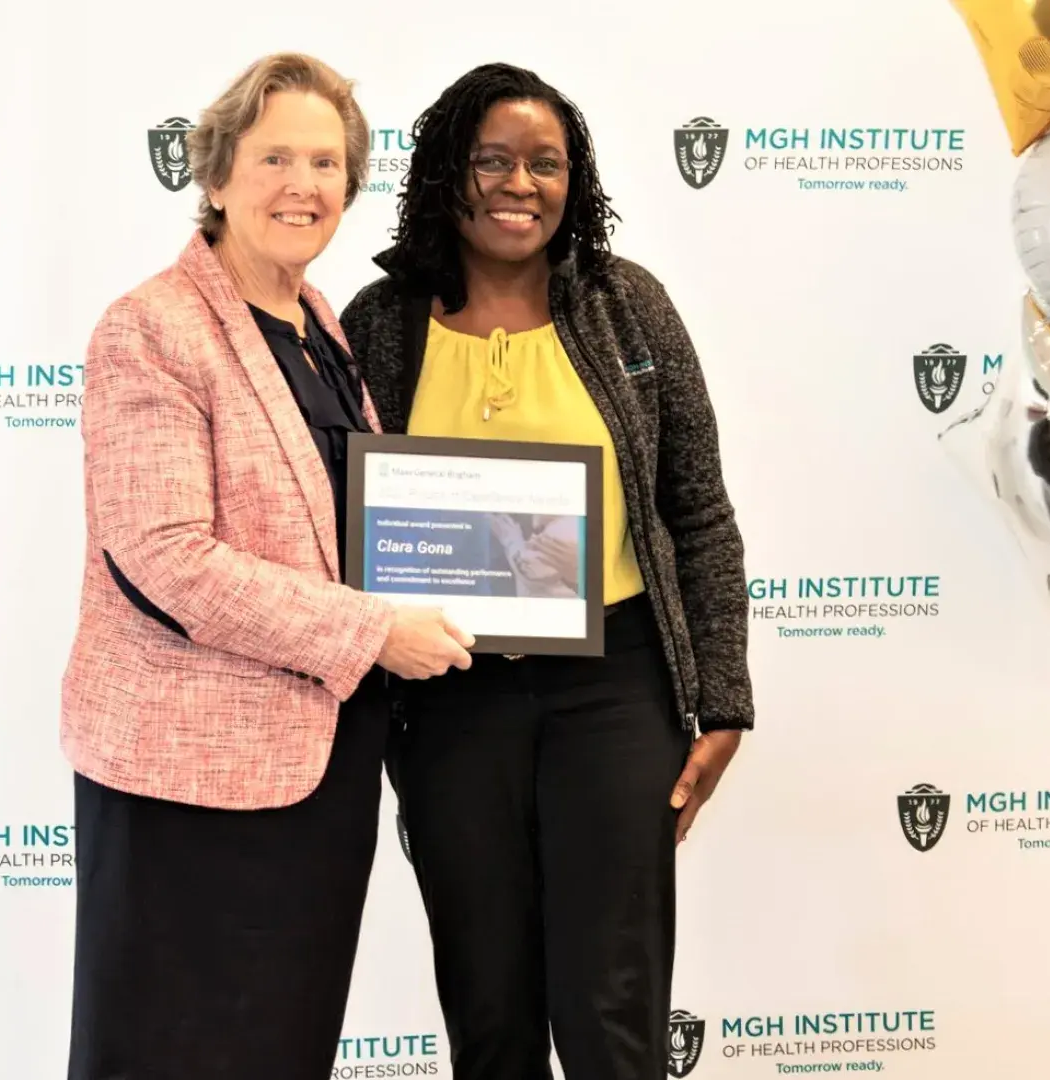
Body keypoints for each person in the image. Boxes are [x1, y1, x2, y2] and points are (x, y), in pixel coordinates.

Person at [59, 53, 474, 1080]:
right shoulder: (151, 328)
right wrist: (375, 631)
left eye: (327, 163)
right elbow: (163, 557)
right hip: (187, 778)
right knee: (170, 1052)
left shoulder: (318, 322)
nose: (304, 186)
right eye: (276, 156)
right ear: (215, 174)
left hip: (318, 767)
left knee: (279, 1049)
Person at [341, 63, 755, 1080]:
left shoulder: (628, 308)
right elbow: (328, 515)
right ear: (447, 172)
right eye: (492, 160)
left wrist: (724, 699)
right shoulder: (379, 323)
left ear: (577, 180)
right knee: (489, 1007)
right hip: (446, 695)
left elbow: (696, 511)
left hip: (613, 686)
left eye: (546, 163)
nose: (520, 183)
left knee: (610, 1006)